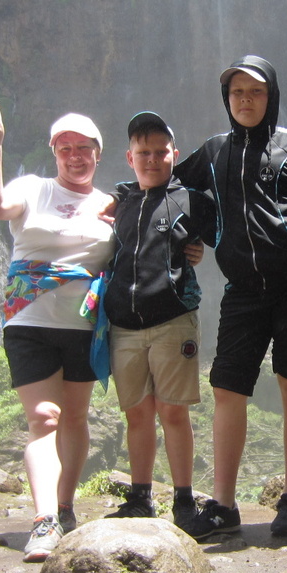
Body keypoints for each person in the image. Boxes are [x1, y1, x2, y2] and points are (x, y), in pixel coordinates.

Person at [175, 56, 287, 541]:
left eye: (256, 92)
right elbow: (174, 189)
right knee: (228, 389)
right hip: (243, 292)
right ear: (227, 100)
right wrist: (190, 233)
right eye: (237, 92)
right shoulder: (215, 150)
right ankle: (223, 504)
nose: (246, 100)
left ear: (272, 96)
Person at [0, 98, 115, 562]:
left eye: (83, 148)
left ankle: (65, 505)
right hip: (30, 322)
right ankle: (44, 519)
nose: (74, 156)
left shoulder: (110, 204)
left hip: (84, 328)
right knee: (45, 419)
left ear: (98, 152)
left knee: (75, 419)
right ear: (54, 153)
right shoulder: (32, 190)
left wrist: (190, 249)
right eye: (64, 148)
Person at [100, 112, 217, 532]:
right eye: (143, 152)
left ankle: (184, 503)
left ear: (175, 155)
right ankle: (140, 497)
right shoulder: (121, 202)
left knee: (172, 412)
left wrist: (201, 245)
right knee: (137, 414)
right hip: (124, 326)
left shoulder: (190, 200)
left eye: (160, 152)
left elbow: (225, 230)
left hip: (173, 321)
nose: (151, 159)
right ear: (129, 157)